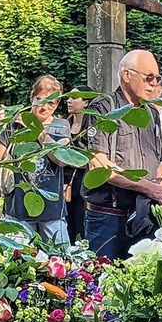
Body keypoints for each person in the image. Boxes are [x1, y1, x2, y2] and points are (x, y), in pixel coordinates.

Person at [82, 49, 162, 259]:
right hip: (109, 217)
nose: (153, 83)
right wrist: (147, 186)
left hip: (145, 216)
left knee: (144, 281)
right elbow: (99, 166)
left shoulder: (151, 113)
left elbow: (156, 161)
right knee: (104, 282)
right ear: (127, 75)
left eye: (157, 78)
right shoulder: (104, 108)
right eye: (148, 77)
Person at [0, 75, 72, 244]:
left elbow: (61, 160)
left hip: (53, 210)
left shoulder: (61, 126)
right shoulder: (14, 124)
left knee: (62, 261)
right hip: (17, 209)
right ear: (32, 97)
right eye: (40, 100)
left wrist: (37, 132)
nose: (44, 107)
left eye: (51, 103)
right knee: (17, 263)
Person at [65, 87, 95, 242]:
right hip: (63, 180)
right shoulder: (63, 124)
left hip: (84, 181)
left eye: (75, 97)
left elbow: (93, 156)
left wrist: (70, 159)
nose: (69, 100)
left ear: (86, 103)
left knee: (81, 224)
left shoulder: (92, 128)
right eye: (69, 97)